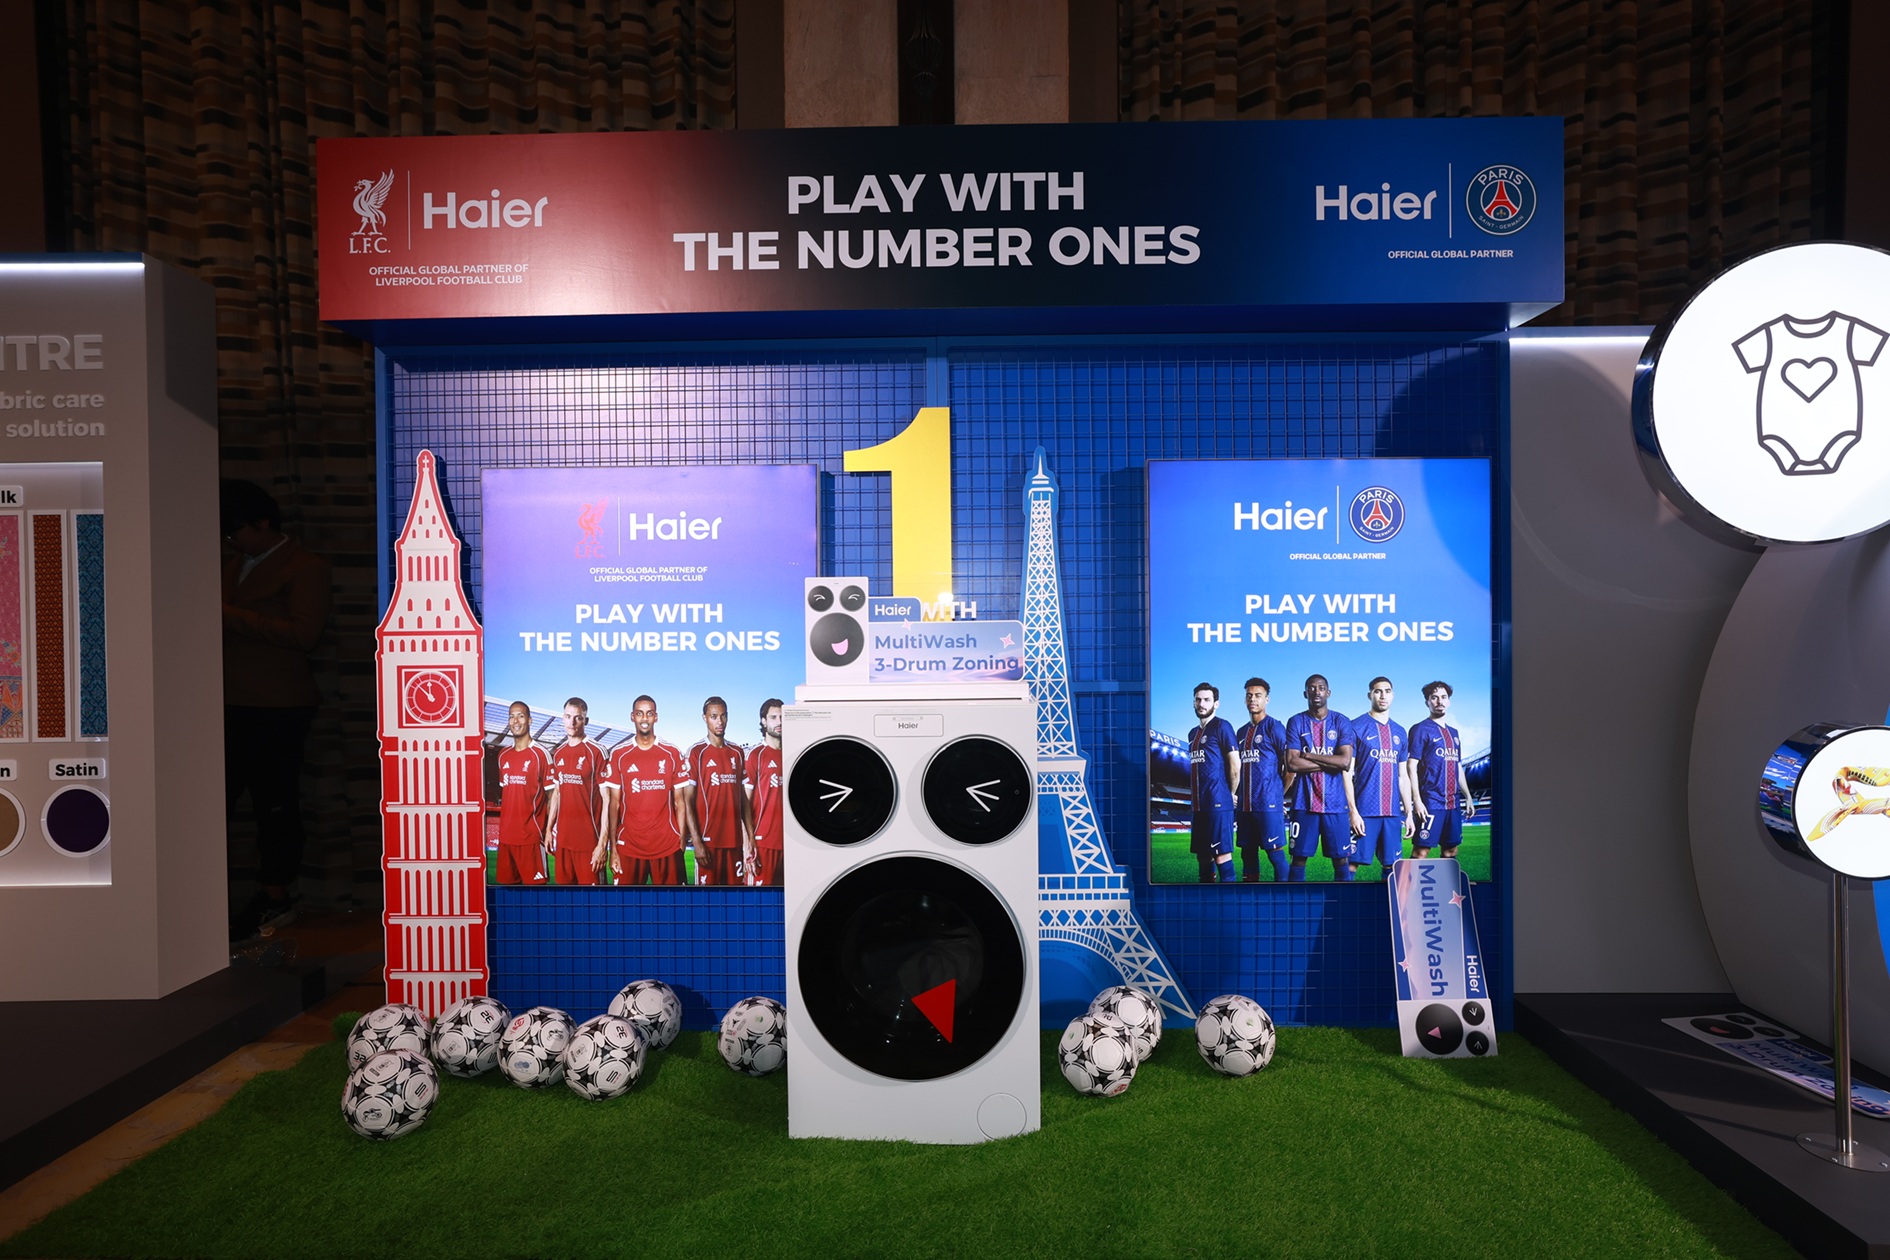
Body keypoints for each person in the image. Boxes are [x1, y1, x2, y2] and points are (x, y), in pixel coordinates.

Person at [222, 479, 332, 939]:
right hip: (224, 704)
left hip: (276, 707)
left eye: (236, 531)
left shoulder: (305, 567)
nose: (230, 540)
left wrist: (227, 615)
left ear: (263, 523)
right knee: (217, 804)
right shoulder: (229, 564)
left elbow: (304, 634)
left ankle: (275, 897)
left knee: (275, 807)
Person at [601, 694, 695, 886]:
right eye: (640, 713)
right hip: (629, 845)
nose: (644, 718)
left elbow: (680, 801)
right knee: (625, 905)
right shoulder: (619, 754)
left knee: (673, 904)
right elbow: (614, 804)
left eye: (649, 713)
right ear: (632, 716)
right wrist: (614, 848)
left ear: (656, 717)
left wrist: (681, 838)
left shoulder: (671, 753)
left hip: (667, 845)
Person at [1284, 674, 1360, 882]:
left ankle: (1342, 899)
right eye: (1311, 688)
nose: (1316, 691)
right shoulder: (1296, 721)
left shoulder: (1341, 721)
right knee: (1298, 859)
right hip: (1303, 803)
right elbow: (1292, 764)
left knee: (1341, 860)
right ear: (1305, 693)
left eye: (1321, 687)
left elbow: (1345, 762)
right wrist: (1330, 761)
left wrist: (1309, 755)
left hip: (1335, 804)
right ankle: (1295, 899)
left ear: (1328, 692)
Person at [1349, 677, 1412, 878]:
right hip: (1364, 811)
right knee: (1350, 865)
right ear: (1370, 695)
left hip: (1392, 813)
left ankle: (1388, 900)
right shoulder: (1356, 726)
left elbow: (1403, 776)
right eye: (1378, 691)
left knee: (1392, 867)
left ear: (1393, 695)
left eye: (1387, 691)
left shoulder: (1400, 732)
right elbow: (1347, 773)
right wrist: (1353, 812)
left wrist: (1408, 813)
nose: (1383, 695)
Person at [1408, 680, 1476, 859]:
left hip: (1453, 803)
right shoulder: (1420, 729)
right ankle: (1409, 880)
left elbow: (1457, 766)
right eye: (1434, 697)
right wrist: (1417, 800)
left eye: (1444, 697)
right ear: (1427, 702)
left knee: (1450, 850)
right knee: (1421, 852)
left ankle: (1445, 880)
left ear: (1449, 701)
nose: (1439, 701)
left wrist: (1468, 796)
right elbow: (1411, 766)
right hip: (1431, 801)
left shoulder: (1454, 733)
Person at [544, 697, 608, 886]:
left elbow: (608, 800)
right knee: (566, 901)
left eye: (578, 718)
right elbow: (557, 793)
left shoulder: (597, 752)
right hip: (563, 843)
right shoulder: (559, 753)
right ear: (562, 718)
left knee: (595, 902)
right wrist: (549, 829)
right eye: (568, 716)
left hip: (589, 844)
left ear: (585, 721)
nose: (572, 722)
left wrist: (602, 844)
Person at [1233, 677, 1290, 882]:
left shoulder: (1275, 727)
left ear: (1267, 699)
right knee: (1247, 853)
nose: (1253, 699)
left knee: (1275, 853)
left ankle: (1285, 894)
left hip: (1268, 805)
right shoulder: (1241, 732)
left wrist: (1277, 793)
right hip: (1244, 807)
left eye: (1258, 695)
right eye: (1249, 696)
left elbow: (1290, 767)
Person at [687, 696, 748, 885]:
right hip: (708, 842)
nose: (719, 722)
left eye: (723, 716)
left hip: (735, 842)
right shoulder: (696, 752)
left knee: (736, 899)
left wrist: (750, 839)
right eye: (714, 717)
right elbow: (687, 801)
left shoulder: (737, 752)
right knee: (706, 900)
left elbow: (744, 801)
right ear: (704, 718)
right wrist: (697, 842)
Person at [1186, 682, 1240, 884]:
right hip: (1198, 805)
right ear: (1194, 702)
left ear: (1216, 704)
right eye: (1198, 700)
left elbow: (1235, 765)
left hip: (1218, 802)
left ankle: (1228, 898)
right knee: (1202, 856)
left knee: (1221, 855)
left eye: (1207, 700)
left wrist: (1229, 794)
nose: (1202, 704)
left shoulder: (1222, 726)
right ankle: (1207, 895)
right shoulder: (1192, 734)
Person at [492, 701, 549, 885]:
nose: (515, 721)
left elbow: (553, 797)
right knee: (508, 895)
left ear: (530, 720)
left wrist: (548, 830)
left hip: (531, 839)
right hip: (506, 838)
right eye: (511, 716)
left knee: (535, 895)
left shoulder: (541, 754)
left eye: (520, 716)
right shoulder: (503, 755)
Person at [744, 699, 784, 886]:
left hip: (791, 844)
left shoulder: (794, 754)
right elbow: (743, 804)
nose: (779, 722)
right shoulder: (755, 755)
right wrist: (747, 844)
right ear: (763, 721)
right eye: (773, 717)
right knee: (757, 901)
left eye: (783, 717)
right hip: (762, 843)